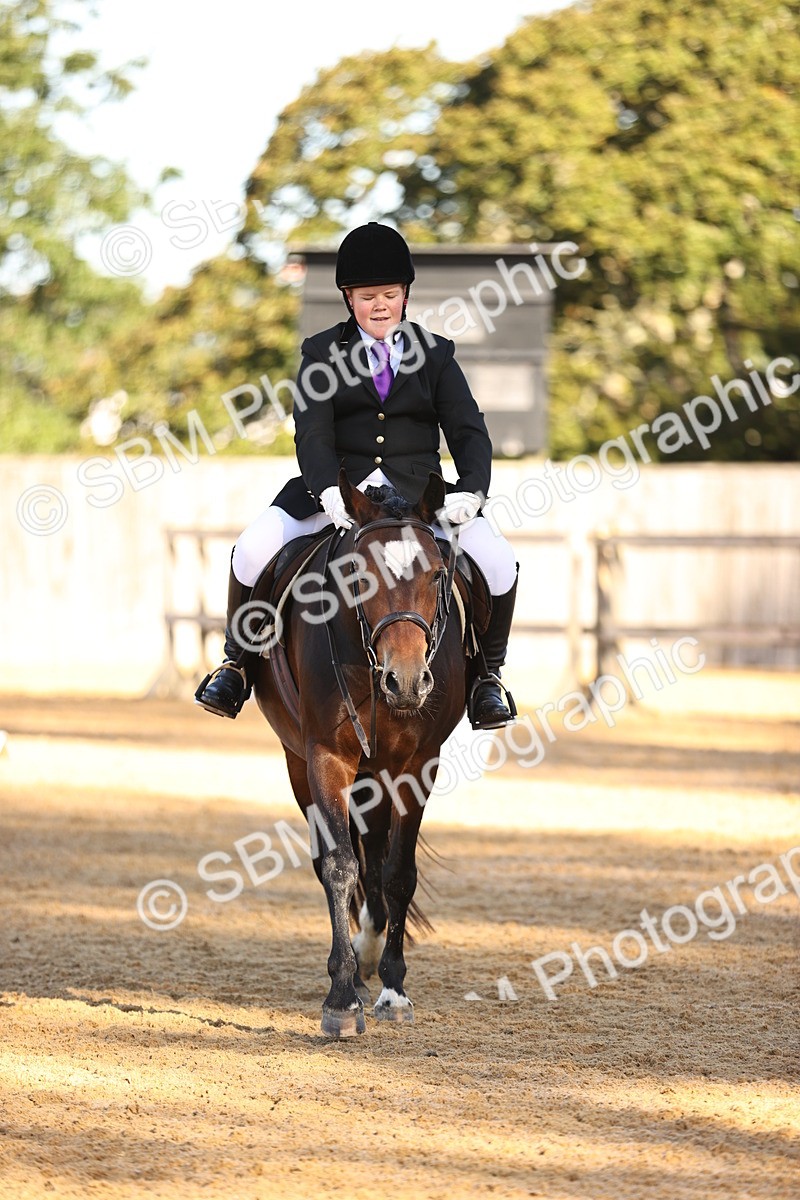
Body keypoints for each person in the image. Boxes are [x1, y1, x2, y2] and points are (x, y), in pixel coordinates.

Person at [195, 222, 518, 728]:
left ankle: (487, 680)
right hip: (338, 494)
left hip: (420, 499)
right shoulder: (321, 352)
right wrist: (327, 488)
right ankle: (235, 665)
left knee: (498, 562)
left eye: (389, 294)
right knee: (251, 550)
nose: (380, 306)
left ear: (405, 294)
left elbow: (468, 430)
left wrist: (473, 491)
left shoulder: (437, 354)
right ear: (349, 298)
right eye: (368, 297)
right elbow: (312, 430)